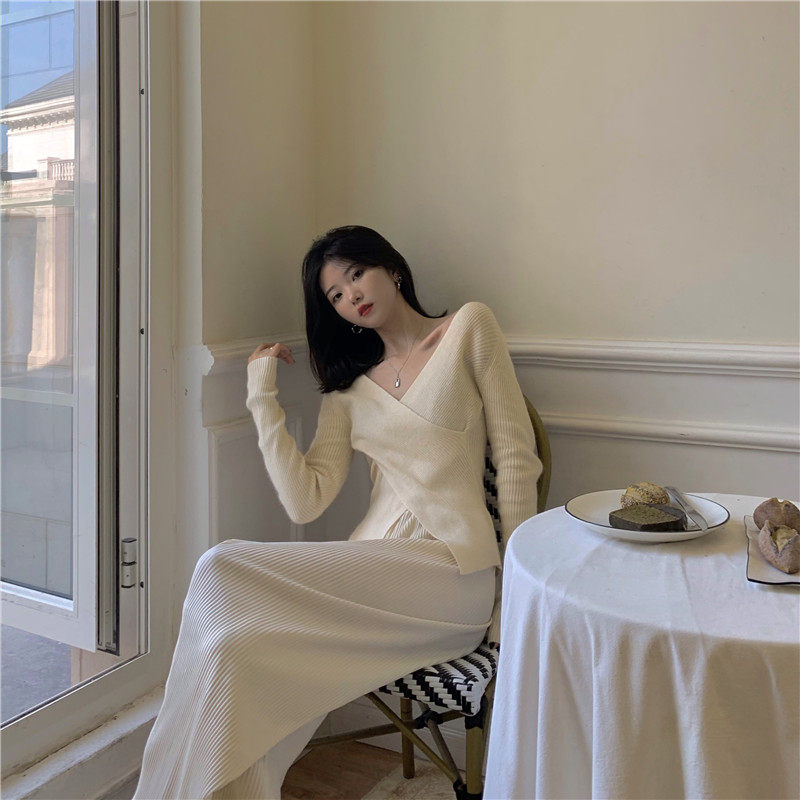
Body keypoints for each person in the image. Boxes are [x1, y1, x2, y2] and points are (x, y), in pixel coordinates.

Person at [132, 225, 542, 799]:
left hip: (455, 577)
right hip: (372, 573)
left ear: (390, 267)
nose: (352, 294)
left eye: (356, 274)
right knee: (233, 649)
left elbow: (517, 460)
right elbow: (306, 499)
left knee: (220, 565)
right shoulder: (348, 392)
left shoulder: (468, 328)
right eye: (336, 295)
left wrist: (516, 597)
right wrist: (261, 398)